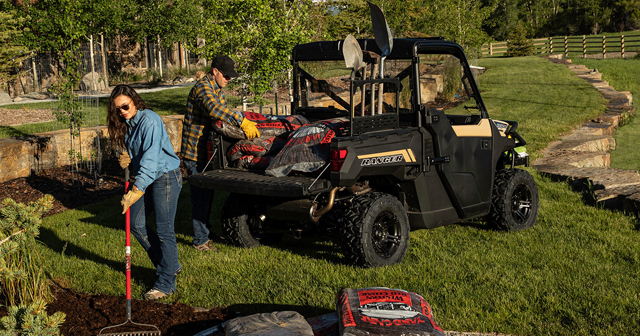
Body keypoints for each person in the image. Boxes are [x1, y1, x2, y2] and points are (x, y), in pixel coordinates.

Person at [108, 84, 182, 300]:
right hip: (148, 176)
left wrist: (136, 190)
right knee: (135, 224)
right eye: (117, 109)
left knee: (164, 229)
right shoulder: (130, 123)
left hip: (165, 177)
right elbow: (143, 155)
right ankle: (170, 264)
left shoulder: (149, 120)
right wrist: (130, 159)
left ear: (134, 101)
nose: (122, 111)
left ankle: (166, 283)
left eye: (125, 106)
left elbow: (151, 160)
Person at [181, 55, 260, 251]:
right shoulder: (202, 89)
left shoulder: (217, 89)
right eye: (226, 75)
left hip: (207, 152)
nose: (228, 79)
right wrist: (241, 120)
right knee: (201, 197)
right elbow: (215, 110)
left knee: (207, 196)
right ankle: (200, 241)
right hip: (194, 153)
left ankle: (205, 232)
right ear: (215, 71)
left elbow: (223, 111)